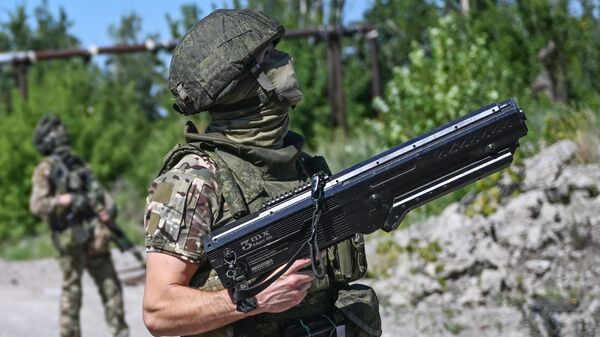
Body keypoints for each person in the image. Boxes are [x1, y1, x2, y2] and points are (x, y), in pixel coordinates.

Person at [142, 8, 382, 337]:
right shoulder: (194, 178)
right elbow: (159, 311)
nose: (283, 61)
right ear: (235, 83)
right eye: (266, 56)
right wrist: (254, 299)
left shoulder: (302, 165)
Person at [29, 114, 129, 337]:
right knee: (72, 294)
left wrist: (106, 211)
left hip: (96, 237)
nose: (62, 133)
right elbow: (37, 205)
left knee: (111, 289)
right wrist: (65, 201)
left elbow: (99, 194)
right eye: (57, 131)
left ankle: (120, 332)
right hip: (70, 239)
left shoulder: (78, 164)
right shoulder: (45, 168)